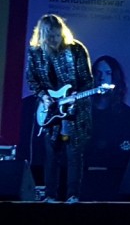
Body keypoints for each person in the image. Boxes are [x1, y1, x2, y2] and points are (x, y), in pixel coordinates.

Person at [25, 14, 93, 203]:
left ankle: (73, 195)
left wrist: (75, 97)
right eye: (51, 36)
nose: (55, 39)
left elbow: (87, 80)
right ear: (42, 36)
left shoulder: (76, 49)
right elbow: (32, 79)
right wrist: (44, 96)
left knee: (73, 153)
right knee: (51, 153)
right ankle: (50, 195)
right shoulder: (36, 52)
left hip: (74, 111)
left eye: (57, 35)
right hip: (50, 110)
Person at [85, 55, 130, 171]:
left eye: (108, 73)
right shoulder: (81, 114)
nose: (102, 78)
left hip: (115, 176)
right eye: (98, 73)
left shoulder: (129, 116)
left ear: (115, 78)